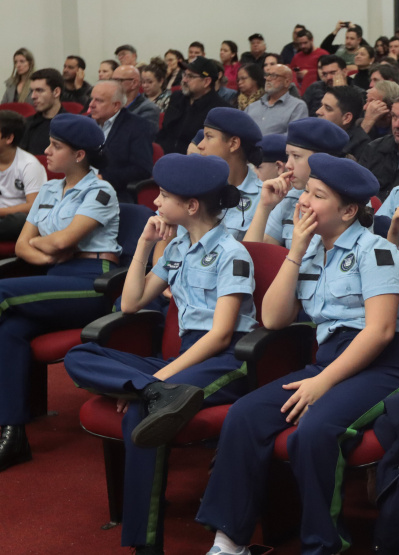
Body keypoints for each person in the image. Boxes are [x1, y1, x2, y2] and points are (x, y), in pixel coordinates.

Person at [197, 153, 399, 555]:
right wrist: (296, 251)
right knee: (245, 414)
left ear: (348, 211)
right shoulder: (312, 249)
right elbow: (273, 318)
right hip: (330, 358)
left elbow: (380, 331)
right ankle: (229, 541)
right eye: (307, 192)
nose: (303, 201)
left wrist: (323, 382)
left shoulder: (376, 251)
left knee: (316, 430)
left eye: (317, 196)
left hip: (386, 364)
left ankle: (323, 546)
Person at [63, 153, 255, 554]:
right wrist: (145, 243)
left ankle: (145, 545)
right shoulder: (177, 246)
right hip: (181, 361)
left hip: (226, 360)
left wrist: (156, 380)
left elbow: (221, 335)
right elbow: (131, 303)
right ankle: (147, 391)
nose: (155, 202)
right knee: (80, 355)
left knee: (142, 411)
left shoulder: (232, 253)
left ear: (191, 206)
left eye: (164, 196)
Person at [0, 114, 120, 473]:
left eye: (56, 146)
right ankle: (13, 435)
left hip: (93, 282)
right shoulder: (50, 190)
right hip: (53, 278)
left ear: (79, 155)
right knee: (9, 331)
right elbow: (22, 246)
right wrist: (49, 251)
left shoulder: (100, 191)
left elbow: (64, 240)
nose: (46, 151)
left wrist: (50, 245)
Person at [243, 118, 348, 248]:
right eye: (288, 156)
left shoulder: (347, 202)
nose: (288, 165)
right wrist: (264, 206)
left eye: (296, 156)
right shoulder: (290, 199)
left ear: (323, 160)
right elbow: (252, 253)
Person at [196, 108, 263, 240]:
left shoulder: (263, 198)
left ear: (233, 144)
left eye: (209, 137)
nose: (200, 145)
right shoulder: (195, 188)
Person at [88, 81, 154, 198]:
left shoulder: (137, 126)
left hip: (114, 192)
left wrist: (104, 178)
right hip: (82, 186)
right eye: (92, 99)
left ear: (116, 106)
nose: (91, 105)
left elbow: (142, 169)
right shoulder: (85, 123)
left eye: (99, 101)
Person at [156, 57, 231, 155]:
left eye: (190, 76)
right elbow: (164, 132)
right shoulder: (177, 98)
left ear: (206, 82)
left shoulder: (220, 110)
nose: (184, 80)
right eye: (184, 74)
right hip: (165, 157)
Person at [0, 110, 45, 240]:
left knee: (20, 221)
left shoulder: (29, 164)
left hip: (16, 219)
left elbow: (33, 206)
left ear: (9, 138)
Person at [244, 64, 308, 135]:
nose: (268, 79)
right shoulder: (252, 107)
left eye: (273, 76)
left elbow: (295, 136)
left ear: (286, 82)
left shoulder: (297, 106)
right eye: (267, 75)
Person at [316, 85, 371, 159]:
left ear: (346, 118)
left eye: (328, 108)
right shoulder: (314, 134)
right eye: (321, 105)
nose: (318, 111)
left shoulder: (361, 147)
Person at [20, 68, 64, 156]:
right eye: (32, 91)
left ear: (56, 92)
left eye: (39, 90)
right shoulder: (26, 124)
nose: (33, 96)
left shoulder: (71, 126)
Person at [112, 65, 161, 131]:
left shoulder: (148, 109)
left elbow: (139, 134)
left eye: (118, 80)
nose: (112, 84)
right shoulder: (112, 104)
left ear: (134, 83)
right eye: (112, 80)